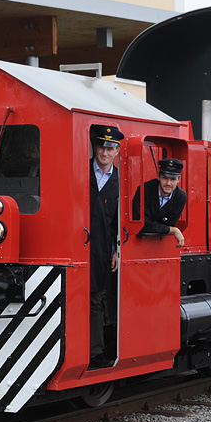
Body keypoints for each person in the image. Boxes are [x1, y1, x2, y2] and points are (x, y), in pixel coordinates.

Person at [88, 125, 123, 370]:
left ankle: (95, 352)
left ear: (117, 151)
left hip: (102, 250)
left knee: (96, 300)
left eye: (110, 147)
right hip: (77, 244)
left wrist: (117, 250)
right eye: (101, 146)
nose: (105, 151)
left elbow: (118, 221)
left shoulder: (121, 180)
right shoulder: (79, 170)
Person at [137, 157, 187, 247]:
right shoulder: (144, 190)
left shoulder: (181, 197)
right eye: (165, 178)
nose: (168, 183)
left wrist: (167, 228)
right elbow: (142, 224)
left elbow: (169, 224)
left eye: (173, 179)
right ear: (158, 176)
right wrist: (174, 230)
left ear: (178, 179)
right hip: (137, 243)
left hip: (159, 245)